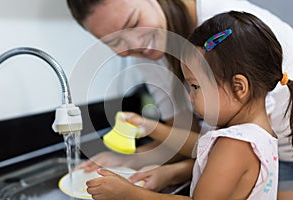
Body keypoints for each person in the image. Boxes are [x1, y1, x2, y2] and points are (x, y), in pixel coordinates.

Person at [67, 0, 293, 198]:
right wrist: (141, 147)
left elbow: (220, 153)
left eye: (134, 23)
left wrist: (130, 194)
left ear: (239, 86)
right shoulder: (244, 133)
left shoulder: (227, 33)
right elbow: (201, 144)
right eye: (116, 42)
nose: (136, 44)